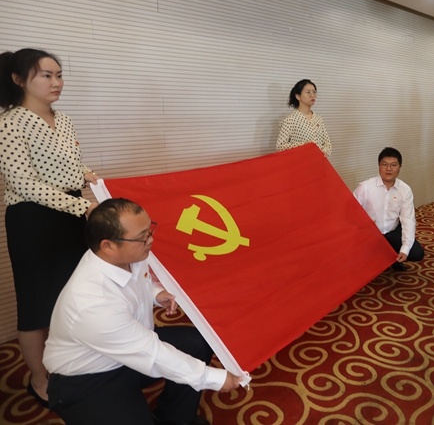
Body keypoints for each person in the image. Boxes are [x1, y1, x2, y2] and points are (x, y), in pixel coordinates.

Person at [43, 198, 241, 425]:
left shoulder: (128, 256)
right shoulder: (92, 302)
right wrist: (214, 378)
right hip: (88, 377)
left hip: (132, 347)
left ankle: (173, 419)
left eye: (149, 231)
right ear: (108, 246)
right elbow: (152, 354)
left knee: (197, 344)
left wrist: (156, 294)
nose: (151, 240)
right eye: (142, 237)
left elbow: (138, 284)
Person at [0, 48, 99, 407]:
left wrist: (91, 176)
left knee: (72, 295)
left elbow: (69, 164)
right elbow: (24, 183)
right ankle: (39, 381)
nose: (56, 82)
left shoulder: (65, 119)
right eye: (46, 75)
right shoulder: (9, 123)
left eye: (59, 75)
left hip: (71, 216)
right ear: (18, 79)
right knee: (36, 304)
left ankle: (71, 364)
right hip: (33, 221)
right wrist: (83, 205)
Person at [353, 147, 425, 271]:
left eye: (393, 165)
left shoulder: (405, 190)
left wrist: (405, 249)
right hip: (368, 233)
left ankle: (392, 258)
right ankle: (380, 257)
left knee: (416, 253)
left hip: (392, 231)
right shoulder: (365, 187)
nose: (388, 169)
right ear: (379, 165)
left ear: (400, 167)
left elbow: (408, 220)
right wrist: (363, 223)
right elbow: (350, 213)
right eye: (384, 164)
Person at [276, 79, 332, 158]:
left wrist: (325, 152)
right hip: (300, 163)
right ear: (298, 96)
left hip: (319, 161)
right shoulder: (290, 120)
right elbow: (280, 146)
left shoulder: (318, 118)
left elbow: (327, 143)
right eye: (308, 92)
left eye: (314, 92)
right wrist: (303, 145)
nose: (312, 95)